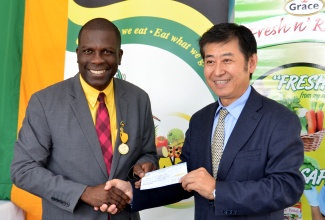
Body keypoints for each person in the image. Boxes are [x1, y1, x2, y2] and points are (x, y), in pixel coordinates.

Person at [101, 23, 305, 220]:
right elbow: (185, 178)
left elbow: (286, 187)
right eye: (210, 61)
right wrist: (134, 192)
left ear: (251, 63)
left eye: (227, 60)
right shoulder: (200, 120)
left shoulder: (280, 120)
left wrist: (218, 190)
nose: (217, 71)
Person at [11, 17, 158, 220]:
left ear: (119, 55)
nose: (97, 60)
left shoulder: (138, 99)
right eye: (89, 51)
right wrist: (84, 193)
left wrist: (141, 168)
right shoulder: (45, 102)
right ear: (78, 54)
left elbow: (148, 154)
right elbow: (23, 170)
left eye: (106, 51)